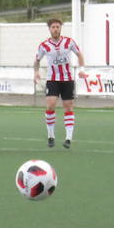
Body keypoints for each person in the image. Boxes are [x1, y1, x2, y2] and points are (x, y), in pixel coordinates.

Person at [34, 18, 88, 149]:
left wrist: (81, 69)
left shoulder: (68, 42)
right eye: (53, 27)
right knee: (50, 105)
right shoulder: (44, 45)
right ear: (49, 29)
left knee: (68, 107)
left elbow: (79, 54)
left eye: (58, 27)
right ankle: (50, 136)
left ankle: (68, 139)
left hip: (67, 79)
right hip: (52, 79)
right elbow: (37, 60)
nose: (56, 29)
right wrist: (36, 72)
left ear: (60, 28)